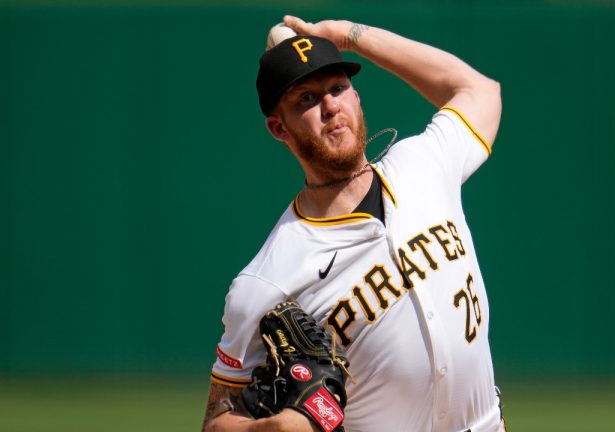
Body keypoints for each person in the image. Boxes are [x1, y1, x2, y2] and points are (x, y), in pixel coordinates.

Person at [202, 15, 503, 432]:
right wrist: (273, 428)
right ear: (278, 128)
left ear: (357, 98)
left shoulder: (425, 165)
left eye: (338, 88)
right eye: (306, 99)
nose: (330, 107)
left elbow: (479, 90)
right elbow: (217, 419)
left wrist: (351, 37)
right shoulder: (265, 281)